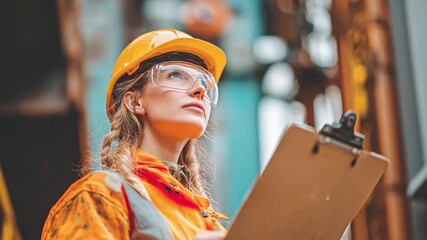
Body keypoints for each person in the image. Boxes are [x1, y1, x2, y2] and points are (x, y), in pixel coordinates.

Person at [42, 28, 228, 240]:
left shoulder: (212, 229)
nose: (200, 90)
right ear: (135, 101)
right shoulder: (99, 197)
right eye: (176, 75)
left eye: (205, 82)